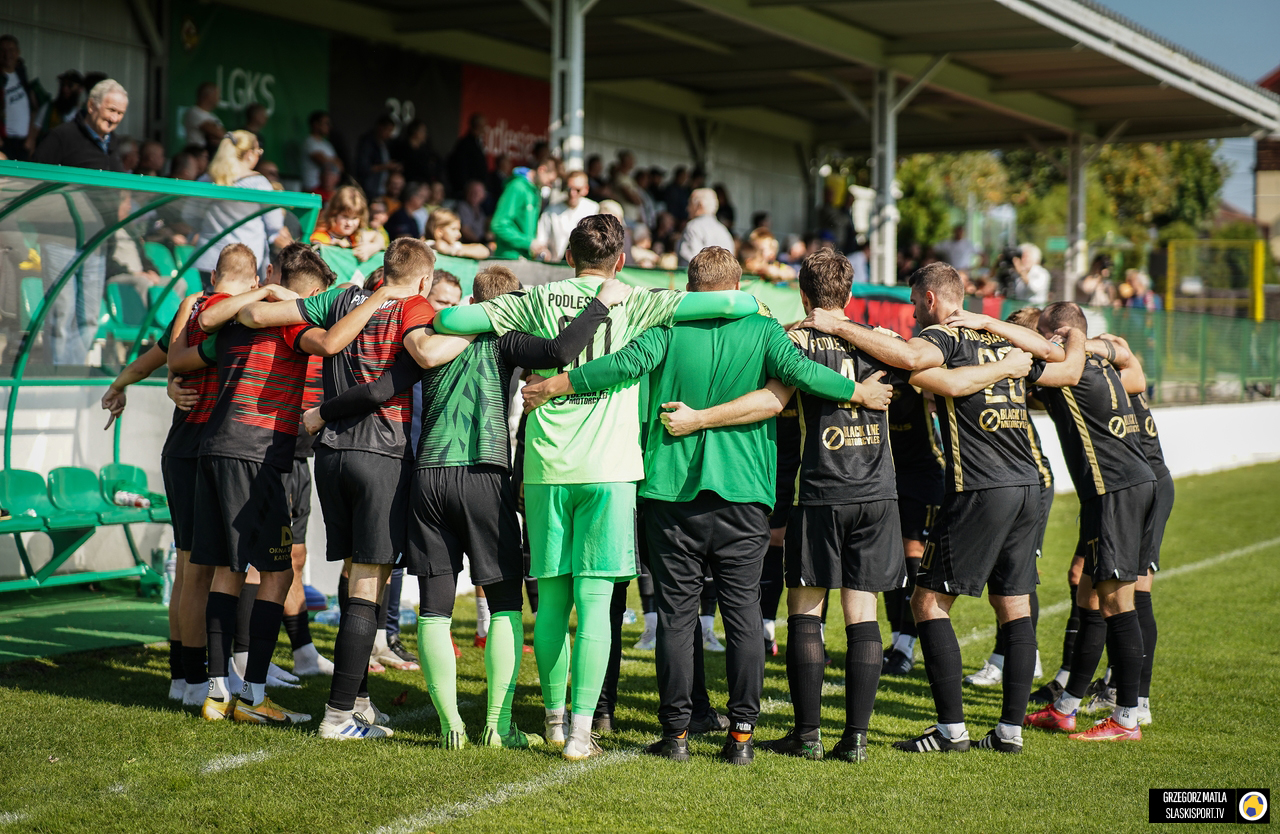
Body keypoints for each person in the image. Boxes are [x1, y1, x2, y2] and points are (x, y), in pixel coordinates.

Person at [520, 246, 892, 765]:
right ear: (737, 285)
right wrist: (857, 391)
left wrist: (559, 384)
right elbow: (803, 374)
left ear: (691, 286)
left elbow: (619, 364)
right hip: (743, 494)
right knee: (742, 615)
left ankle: (676, 736)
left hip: (671, 492)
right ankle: (741, 737)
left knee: (676, 615)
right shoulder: (763, 330)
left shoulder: (668, 325)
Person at [432, 216, 762, 761]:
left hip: (544, 468)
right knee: (596, 601)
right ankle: (583, 732)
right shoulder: (638, 298)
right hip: (609, 468)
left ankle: (556, 722)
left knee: (554, 604)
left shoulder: (537, 297)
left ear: (567, 257)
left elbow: (451, 317)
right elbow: (736, 306)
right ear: (621, 260)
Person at [302, 265, 630, 747]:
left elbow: (379, 389)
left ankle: (450, 726)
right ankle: (498, 727)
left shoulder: (433, 333)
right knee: (502, 606)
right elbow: (562, 350)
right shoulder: (505, 336)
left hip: (429, 478)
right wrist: (600, 305)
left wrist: (322, 411)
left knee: (435, 609)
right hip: (483, 473)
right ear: (509, 302)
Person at [799, 262, 1085, 754]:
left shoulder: (943, 335)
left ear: (930, 300)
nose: (912, 315)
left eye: (913, 304)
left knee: (927, 602)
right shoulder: (1006, 339)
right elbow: (1067, 364)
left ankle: (952, 731)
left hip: (982, 485)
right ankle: (1009, 733)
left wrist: (841, 325)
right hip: (1030, 484)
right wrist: (999, 330)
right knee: (1013, 604)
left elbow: (919, 364)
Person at [758, 250, 1030, 762]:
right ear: (850, 294)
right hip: (879, 495)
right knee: (862, 613)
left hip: (821, 490)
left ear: (803, 294)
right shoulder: (887, 345)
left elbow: (772, 396)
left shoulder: (795, 341)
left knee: (806, 610)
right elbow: (929, 377)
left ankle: (808, 734)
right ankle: (856, 739)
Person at [194, 243, 419, 727]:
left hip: (214, 448)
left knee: (226, 571)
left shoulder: (233, 316)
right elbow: (333, 342)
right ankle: (252, 696)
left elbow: (189, 350)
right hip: (257, 452)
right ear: (311, 296)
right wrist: (378, 298)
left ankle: (216, 693)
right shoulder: (291, 326)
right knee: (276, 572)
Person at [1020, 303, 1155, 742]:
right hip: (1127, 486)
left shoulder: (1072, 364)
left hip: (1114, 491)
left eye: (1045, 335)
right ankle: (1066, 707)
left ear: (1058, 335)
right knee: (1089, 592)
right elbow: (1127, 364)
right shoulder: (1104, 360)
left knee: (1119, 603)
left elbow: (1058, 371)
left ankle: (1127, 718)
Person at [32, 79, 128, 364]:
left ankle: (70, 373)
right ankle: (57, 377)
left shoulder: (114, 145)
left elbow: (119, 189)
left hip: (97, 242)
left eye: (120, 114)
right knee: (61, 313)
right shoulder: (61, 137)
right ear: (91, 105)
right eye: (110, 110)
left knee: (88, 316)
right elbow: (34, 181)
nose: (114, 118)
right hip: (60, 239)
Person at [187, 131, 285, 287]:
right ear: (249, 154)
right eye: (259, 151)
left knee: (207, 306)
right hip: (244, 262)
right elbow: (274, 224)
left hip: (207, 259)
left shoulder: (207, 179)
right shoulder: (258, 183)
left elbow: (189, 215)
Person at [490, 158, 557, 260]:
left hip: (524, 258)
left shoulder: (535, 191)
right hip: (509, 258)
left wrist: (536, 247)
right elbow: (498, 224)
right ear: (542, 170)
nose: (550, 185)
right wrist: (528, 243)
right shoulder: (517, 187)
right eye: (550, 181)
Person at [533, 170, 598, 263]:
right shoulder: (551, 210)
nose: (572, 193)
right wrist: (544, 252)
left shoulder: (593, 209)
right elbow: (540, 240)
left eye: (577, 190)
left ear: (586, 189)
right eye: (569, 189)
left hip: (584, 266)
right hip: (557, 265)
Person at [311, 185, 385, 262]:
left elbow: (377, 235)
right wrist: (331, 248)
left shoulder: (355, 236)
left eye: (354, 218)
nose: (349, 223)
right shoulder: (320, 237)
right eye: (345, 216)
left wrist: (373, 247)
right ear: (333, 214)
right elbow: (316, 248)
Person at [0, 35, 38, 161]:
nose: (7, 54)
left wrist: (31, 138)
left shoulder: (23, 77)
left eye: (11, 50)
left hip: (23, 143)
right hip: (4, 142)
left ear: (18, 53)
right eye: (3, 50)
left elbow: (34, 108)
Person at [677, 188, 734, 267]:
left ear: (699, 205)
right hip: (724, 278)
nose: (687, 209)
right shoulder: (723, 230)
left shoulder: (693, 227)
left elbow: (689, 262)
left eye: (690, 204)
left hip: (701, 277)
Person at [355, 114, 400, 203]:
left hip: (381, 189)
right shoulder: (368, 142)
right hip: (368, 189)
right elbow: (364, 167)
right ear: (380, 127)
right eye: (388, 130)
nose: (389, 134)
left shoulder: (384, 144)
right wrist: (386, 166)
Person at [391, 119, 442, 188]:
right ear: (415, 132)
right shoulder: (401, 148)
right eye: (423, 131)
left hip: (424, 186)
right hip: (406, 186)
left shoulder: (427, 150)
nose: (425, 134)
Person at [447, 113, 489, 198]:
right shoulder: (465, 144)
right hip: (468, 192)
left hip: (477, 191)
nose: (484, 128)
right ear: (477, 126)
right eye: (483, 125)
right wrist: (465, 187)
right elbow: (461, 167)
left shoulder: (478, 143)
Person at [301, 110, 342, 194]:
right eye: (326, 123)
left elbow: (340, 166)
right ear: (316, 125)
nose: (329, 126)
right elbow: (323, 162)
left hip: (326, 189)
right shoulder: (309, 142)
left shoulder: (327, 144)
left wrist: (328, 160)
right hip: (310, 188)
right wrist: (332, 161)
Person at [39, 69, 84, 140]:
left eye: (70, 85)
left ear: (80, 89)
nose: (65, 89)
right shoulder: (49, 109)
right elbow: (34, 133)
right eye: (63, 85)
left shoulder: (84, 112)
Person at [183, 82, 225, 154]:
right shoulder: (194, 112)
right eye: (216, 95)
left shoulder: (213, 116)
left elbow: (223, 135)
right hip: (195, 154)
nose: (218, 98)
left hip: (209, 156)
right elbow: (218, 133)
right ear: (208, 96)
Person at [456, 180, 489, 244]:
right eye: (472, 191)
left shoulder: (480, 210)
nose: (475, 194)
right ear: (466, 192)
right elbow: (465, 229)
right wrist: (480, 243)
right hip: (467, 245)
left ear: (484, 195)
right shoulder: (462, 206)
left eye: (479, 192)